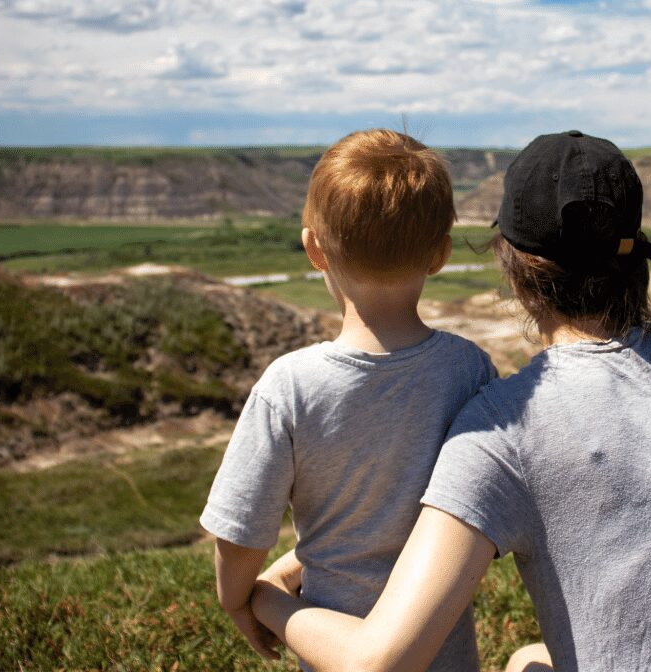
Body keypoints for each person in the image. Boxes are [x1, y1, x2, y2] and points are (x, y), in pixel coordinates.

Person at [250, 130, 651, 672]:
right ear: (635, 250)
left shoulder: (503, 431)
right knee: (531, 660)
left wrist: (264, 600)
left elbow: (376, 660)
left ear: (514, 269)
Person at [199, 129, 496, 671]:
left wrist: (237, 600)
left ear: (314, 249)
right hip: (444, 651)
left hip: (332, 647)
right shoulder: (468, 369)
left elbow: (240, 534)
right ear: (441, 254)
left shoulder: (288, 386)